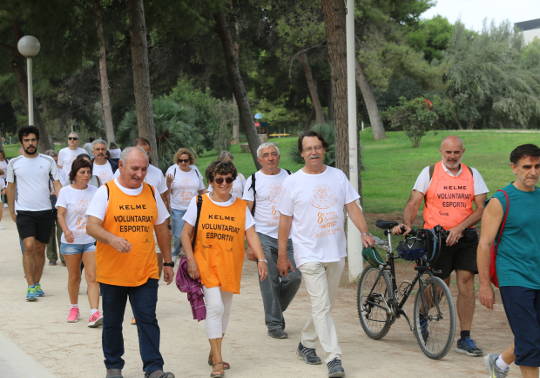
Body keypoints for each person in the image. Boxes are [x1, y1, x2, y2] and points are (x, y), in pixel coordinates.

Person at [277, 131, 375, 378]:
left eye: (318, 147)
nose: (314, 152)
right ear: (301, 153)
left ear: (324, 150)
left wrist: (364, 232)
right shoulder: (292, 182)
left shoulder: (337, 176)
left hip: (335, 250)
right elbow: (285, 220)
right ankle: (334, 357)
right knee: (321, 304)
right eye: (308, 148)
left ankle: (306, 343)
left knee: (325, 305)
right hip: (307, 251)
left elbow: (352, 206)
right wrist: (282, 255)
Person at [392, 135, 488, 357]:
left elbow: (481, 208)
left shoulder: (472, 174)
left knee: (465, 282)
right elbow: (414, 202)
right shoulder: (429, 173)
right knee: (439, 285)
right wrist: (407, 224)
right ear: (441, 152)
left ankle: (465, 337)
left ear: (463, 152)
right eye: (448, 152)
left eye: (456, 152)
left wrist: (460, 228)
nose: (452, 156)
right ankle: (423, 314)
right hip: (436, 237)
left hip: (465, 237)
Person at [86, 147, 175, 378]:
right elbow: (91, 225)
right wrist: (111, 238)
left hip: (145, 270)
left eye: (144, 169)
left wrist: (167, 262)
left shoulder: (151, 192)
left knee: (148, 320)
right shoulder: (105, 192)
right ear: (121, 166)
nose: (140, 173)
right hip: (113, 273)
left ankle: (154, 368)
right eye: (135, 168)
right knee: (113, 323)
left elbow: (162, 227)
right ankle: (114, 367)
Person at [181, 160, 268, 378]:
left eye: (228, 179)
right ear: (211, 181)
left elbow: (251, 234)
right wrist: (191, 260)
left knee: (225, 311)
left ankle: (214, 350)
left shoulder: (240, 206)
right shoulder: (199, 202)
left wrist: (262, 259)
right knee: (216, 308)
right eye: (219, 179)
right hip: (205, 265)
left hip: (230, 266)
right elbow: (185, 234)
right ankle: (217, 362)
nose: (224, 183)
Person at [477, 144, 540, 378]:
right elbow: (484, 244)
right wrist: (484, 284)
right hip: (514, 278)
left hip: (538, 274)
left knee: (533, 335)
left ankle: (500, 363)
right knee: (530, 341)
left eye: (537, 166)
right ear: (513, 168)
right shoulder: (501, 200)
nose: (532, 172)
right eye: (526, 167)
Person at [242, 142, 301, 339]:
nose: (270, 158)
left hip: (290, 235)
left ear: (279, 157)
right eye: (266, 155)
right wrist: (250, 245)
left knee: (295, 277)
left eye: (273, 154)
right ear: (260, 159)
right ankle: (275, 325)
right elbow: (246, 213)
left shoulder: (291, 177)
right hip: (263, 236)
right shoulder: (252, 180)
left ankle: (274, 311)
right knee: (269, 280)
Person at [6, 126, 61, 301]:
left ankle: (37, 283)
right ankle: (30, 286)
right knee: (28, 246)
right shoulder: (14, 163)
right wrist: (12, 211)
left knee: (40, 249)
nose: (30, 143)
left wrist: (62, 205)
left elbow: (57, 184)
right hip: (25, 211)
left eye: (33, 140)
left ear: (37, 141)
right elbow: (10, 188)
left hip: (45, 211)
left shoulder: (48, 161)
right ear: (22, 142)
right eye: (27, 140)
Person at [56, 158, 102, 326]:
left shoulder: (96, 191)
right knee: (74, 276)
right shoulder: (66, 192)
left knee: (92, 276)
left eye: (89, 172)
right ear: (74, 174)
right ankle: (74, 307)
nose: (86, 175)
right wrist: (66, 231)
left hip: (90, 240)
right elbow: (60, 214)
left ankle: (94, 312)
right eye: (82, 172)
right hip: (71, 241)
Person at [166, 147, 205, 258]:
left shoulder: (195, 170)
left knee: (193, 234)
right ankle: (176, 254)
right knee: (178, 235)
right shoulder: (172, 170)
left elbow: (201, 189)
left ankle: (190, 255)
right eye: (180, 160)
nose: (183, 163)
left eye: (185, 160)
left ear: (190, 160)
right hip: (178, 208)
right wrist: (168, 183)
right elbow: (167, 191)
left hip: (194, 208)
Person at [44, 150, 66, 266]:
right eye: (50, 158)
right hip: (46, 202)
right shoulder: (42, 172)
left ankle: (64, 257)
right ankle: (52, 257)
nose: (53, 159)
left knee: (61, 230)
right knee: (49, 231)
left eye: (54, 157)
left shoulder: (61, 171)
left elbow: (65, 185)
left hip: (59, 201)